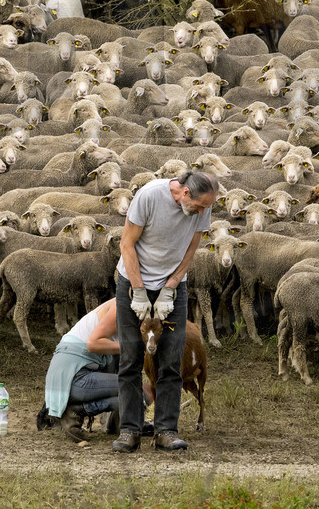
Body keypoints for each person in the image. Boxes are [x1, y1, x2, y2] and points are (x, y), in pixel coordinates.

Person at [112, 168, 219, 453]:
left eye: (205, 208)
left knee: (171, 358)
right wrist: (137, 290)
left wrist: (171, 287)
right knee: (131, 357)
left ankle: (166, 431)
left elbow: (191, 249)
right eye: (198, 206)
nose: (201, 213)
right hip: (134, 281)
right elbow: (126, 243)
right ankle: (129, 430)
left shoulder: (202, 206)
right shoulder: (148, 196)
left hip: (172, 287)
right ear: (185, 193)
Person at [39, 298, 142, 441]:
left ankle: (116, 424)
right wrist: (133, 347)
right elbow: (92, 344)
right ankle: (74, 411)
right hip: (73, 377)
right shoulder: (122, 305)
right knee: (138, 389)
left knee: (136, 390)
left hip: (69, 376)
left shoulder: (127, 304)